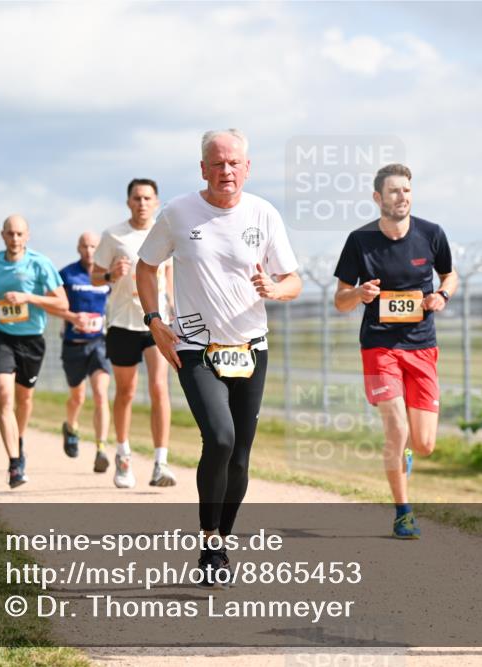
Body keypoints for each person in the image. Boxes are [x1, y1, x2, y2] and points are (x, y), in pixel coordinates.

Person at [137, 128, 301, 587]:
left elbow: (293, 280)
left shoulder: (264, 214)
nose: (226, 171)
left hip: (250, 348)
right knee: (221, 438)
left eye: (234, 163)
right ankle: (210, 538)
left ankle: (219, 542)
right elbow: (146, 266)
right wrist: (154, 320)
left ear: (247, 168)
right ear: (203, 168)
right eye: (217, 163)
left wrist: (275, 288)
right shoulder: (178, 213)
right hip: (194, 348)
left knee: (242, 459)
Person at [333, 163, 457, 540]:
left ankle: (404, 453)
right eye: (393, 191)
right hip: (379, 345)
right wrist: (359, 294)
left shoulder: (432, 234)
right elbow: (340, 300)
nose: (401, 197)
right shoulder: (360, 241)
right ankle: (403, 512)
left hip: (422, 346)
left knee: (424, 444)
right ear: (378, 198)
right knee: (396, 427)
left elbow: (449, 275)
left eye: (406, 190)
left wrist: (442, 295)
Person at [0, 215, 67, 488]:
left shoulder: (40, 263)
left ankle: (18, 441)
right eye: (10, 234)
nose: (14, 239)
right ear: (2, 235)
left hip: (32, 340)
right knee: (4, 396)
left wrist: (28, 298)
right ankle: (14, 464)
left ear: (28, 236)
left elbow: (62, 303)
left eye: (19, 234)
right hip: (1, 337)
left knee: (24, 401)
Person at [91, 179, 176, 489]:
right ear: (129, 202)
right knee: (126, 392)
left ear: (156, 202)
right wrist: (112, 274)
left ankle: (160, 462)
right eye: (137, 198)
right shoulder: (113, 235)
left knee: (159, 388)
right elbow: (96, 276)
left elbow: (169, 277)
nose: (142, 203)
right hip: (123, 323)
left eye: (148, 198)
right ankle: (123, 455)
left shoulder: (165, 231)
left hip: (157, 324)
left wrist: (175, 312)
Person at [57, 231, 113, 473]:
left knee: (101, 394)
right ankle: (71, 426)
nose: (89, 251)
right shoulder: (66, 275)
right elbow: (55, 305)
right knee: (77, 398)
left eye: (93, 247)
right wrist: (71, 317)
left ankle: (101, 448)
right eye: (85, 246)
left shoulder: (106, 276)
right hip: (73, 344)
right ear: (78, 248)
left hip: (99, 343)